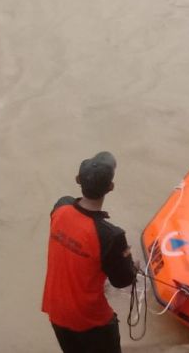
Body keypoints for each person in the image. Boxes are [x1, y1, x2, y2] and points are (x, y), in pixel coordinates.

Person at [42, 151, 137, 353]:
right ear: (110, 188)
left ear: (78, 180)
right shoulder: (112, 236)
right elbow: (122, 280)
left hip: (56, 310)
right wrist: (131, 265)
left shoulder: (60, 207)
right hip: (92, 321)